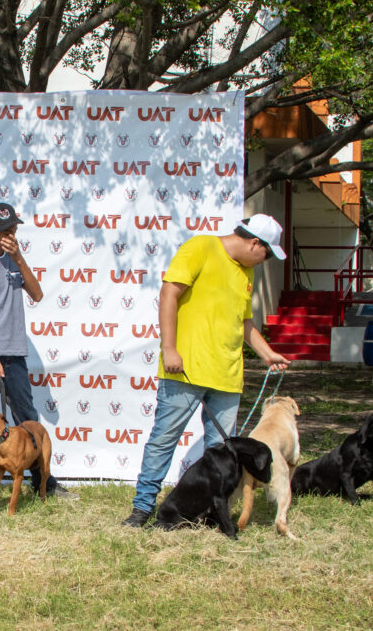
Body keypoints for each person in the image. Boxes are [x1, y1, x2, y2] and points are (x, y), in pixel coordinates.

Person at [123, 214, 291, 527]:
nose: (265, 260)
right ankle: (142, 509)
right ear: (255, 243)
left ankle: (213, 514)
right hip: (186, 370)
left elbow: (244, 323)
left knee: (221, 453)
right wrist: (169, 348)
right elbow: (169, 293)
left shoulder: (246, 272)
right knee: (164, 439)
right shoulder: (201, 247)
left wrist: (267, 354)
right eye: (266, 254)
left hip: (227, 377)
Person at [0, 202, 78, 515]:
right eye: (4, 231)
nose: (10, 235)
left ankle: (43, 482)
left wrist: (19, 257)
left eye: (13, 229)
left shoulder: (14, 260)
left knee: (28, 420)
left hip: (15, 355)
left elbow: (36, 294)